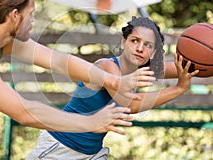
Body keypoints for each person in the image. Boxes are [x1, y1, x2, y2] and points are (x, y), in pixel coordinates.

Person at [0, 0, 157, 134]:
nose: (33, 20)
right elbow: (23, 112)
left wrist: (112, 79)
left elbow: (60, 62)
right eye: (31, 14)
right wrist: (91, 122)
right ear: (15, 16)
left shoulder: (0, 37)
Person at [27, 16, 199, 159]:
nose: (140, 48)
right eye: (134, 41)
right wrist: (179, 88)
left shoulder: (143, 69)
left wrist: (206, 60)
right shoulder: (106, 66)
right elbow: (130, 105)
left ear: (153, 53)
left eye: (148, 45)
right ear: (123, 43)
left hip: (91, 153)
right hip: (60, 146)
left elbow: (186, 67)